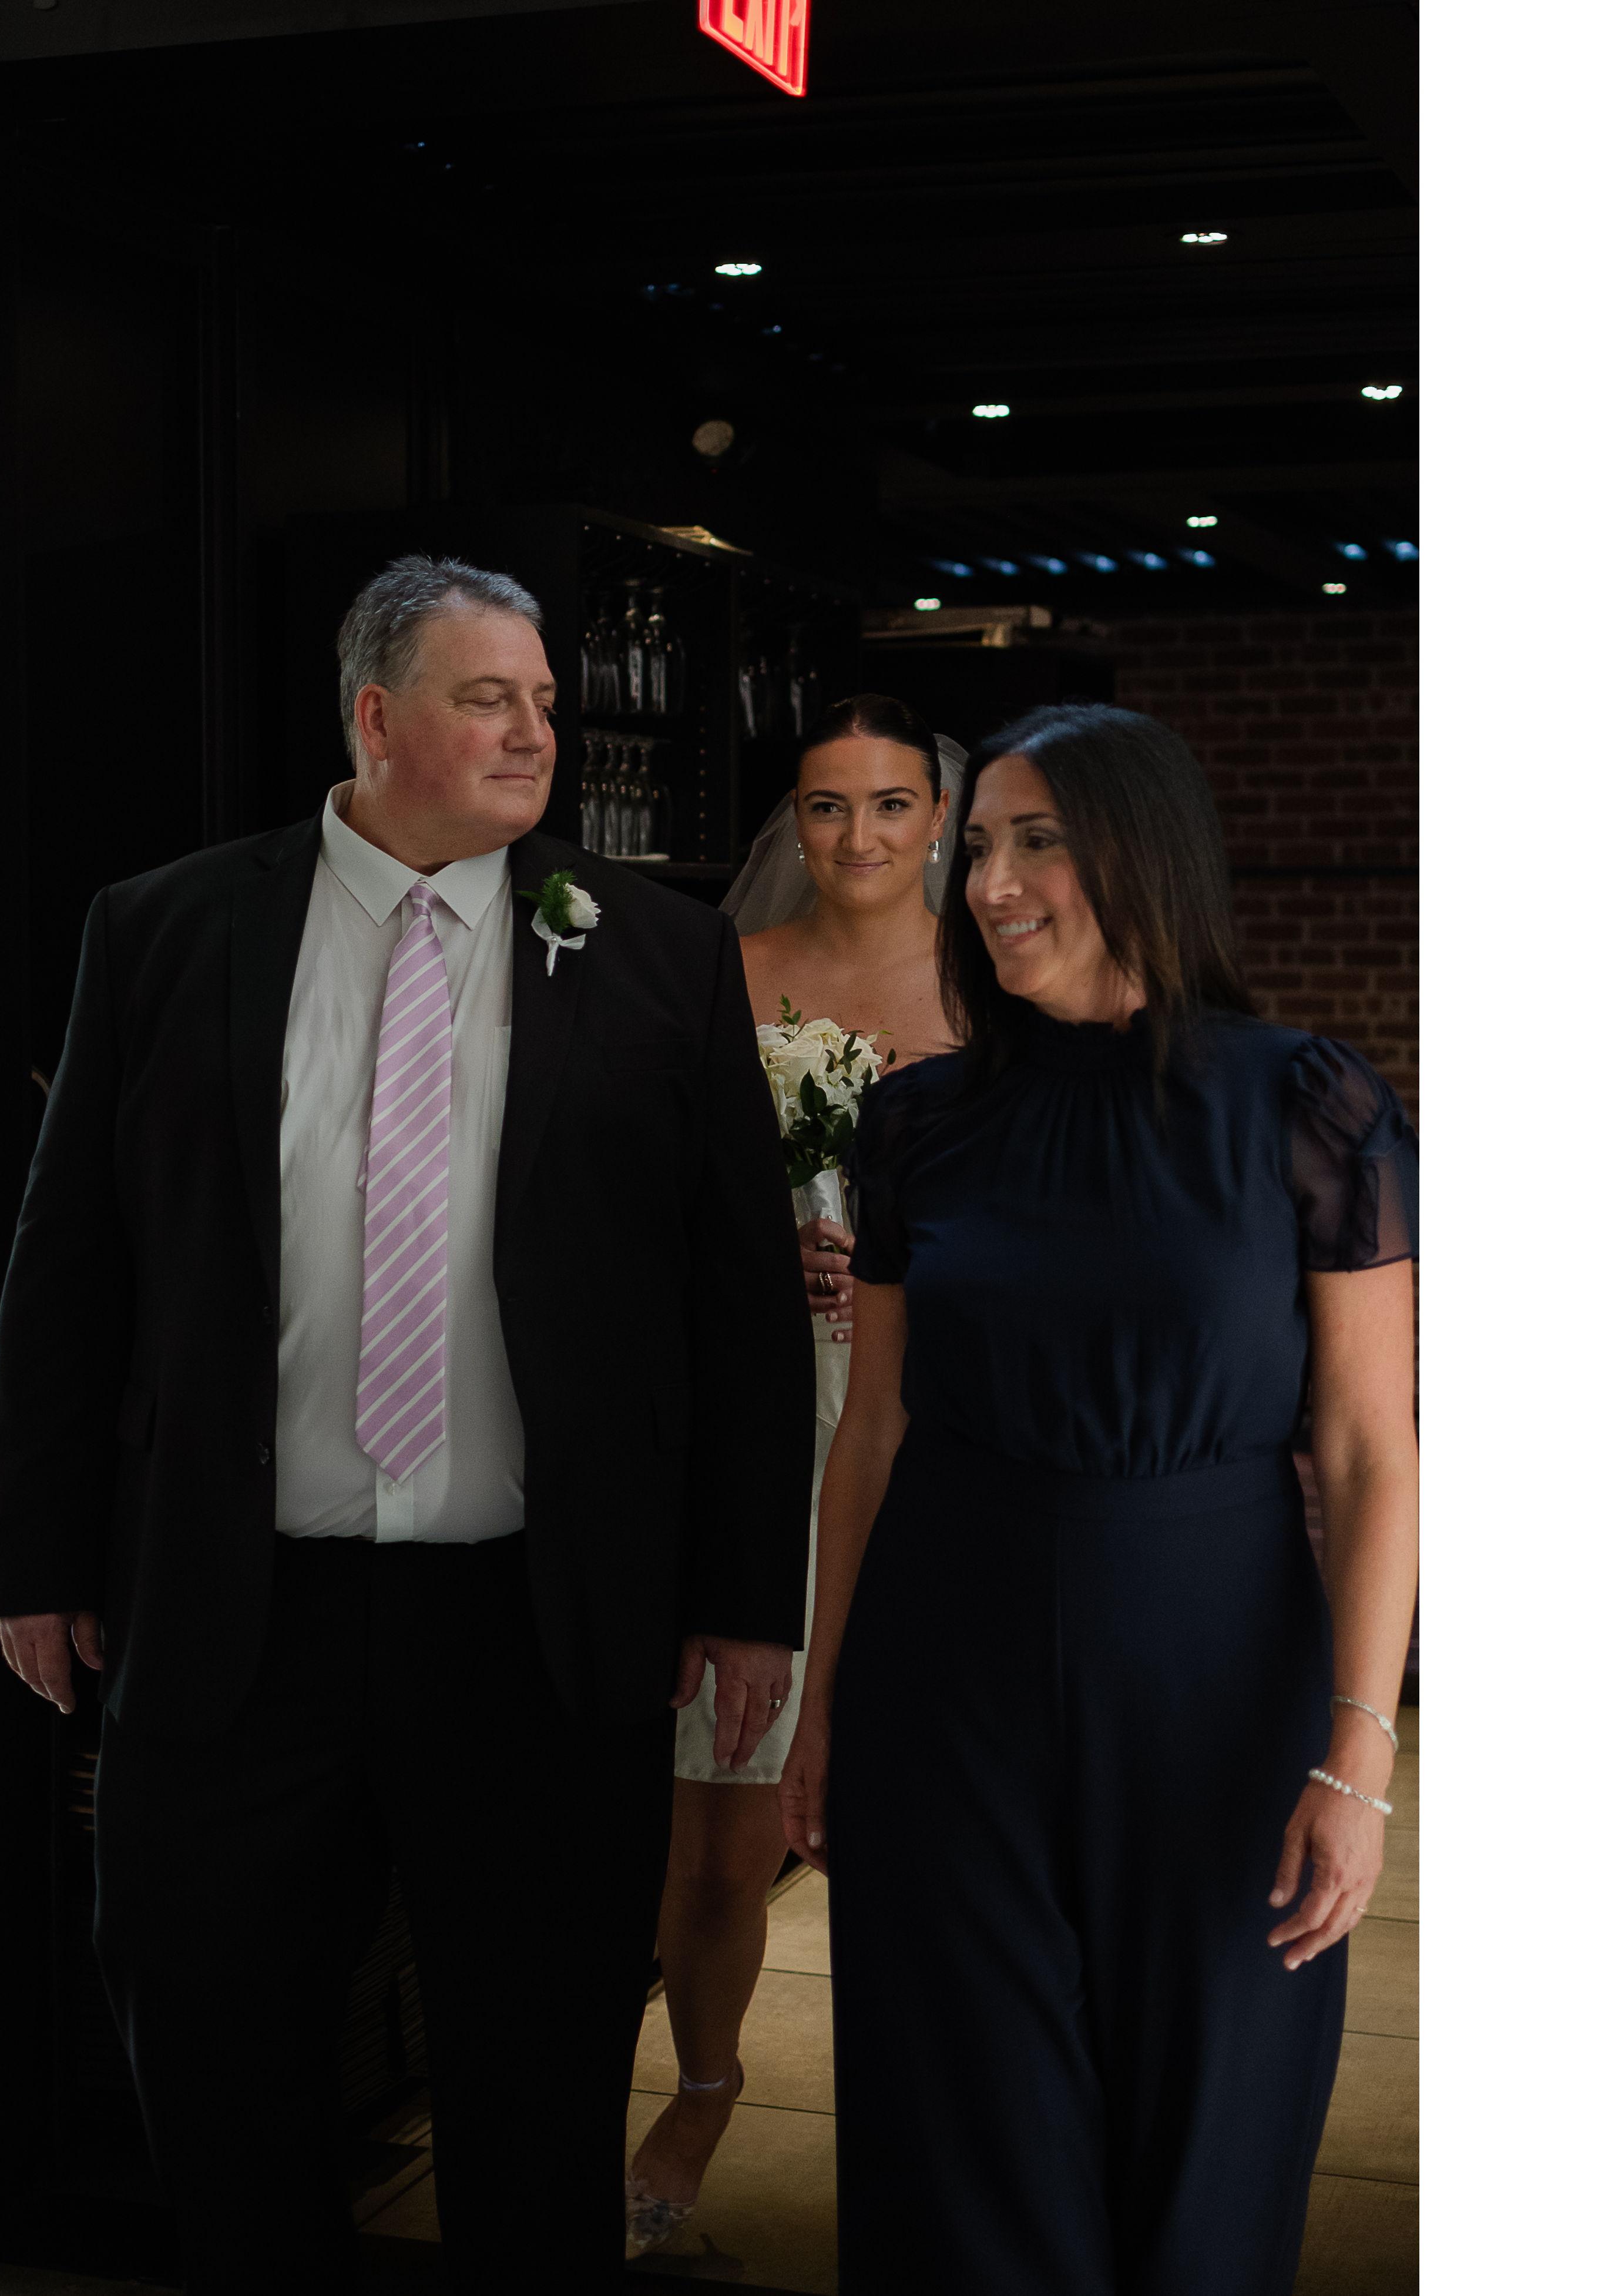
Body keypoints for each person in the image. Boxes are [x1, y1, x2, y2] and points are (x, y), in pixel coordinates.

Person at [0, 555, 812, 2296]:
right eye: (486, 697)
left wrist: (746, 1596)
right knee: (218, 2074)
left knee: (539, 2090)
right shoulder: (164, 928)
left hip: (535, 1626)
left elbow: (738, 1301)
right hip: (234, 1614)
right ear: (376, 716)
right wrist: (40, 1555)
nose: (536, 731)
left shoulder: (659, 949)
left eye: (543, 699)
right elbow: (70, 1266)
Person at [779, 701, 1419, 2295]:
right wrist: (820, 1702)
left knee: (1207, 2155)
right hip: (946, 1683)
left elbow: (1370, 1444)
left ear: (1144, 853)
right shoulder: (918, 1121)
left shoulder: (1308, 1103)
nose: (991, 882)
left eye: (1039, 841)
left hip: (1217, 1688)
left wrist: (1361, 1751)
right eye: (981, 846)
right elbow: (872, 1432)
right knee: (964, 2155)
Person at [626, 696, 958, 2259]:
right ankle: (702, 2084)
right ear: (794, 824)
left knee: (925, 1820)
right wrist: (760, 1255)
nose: (858, 836)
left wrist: (903, 1273)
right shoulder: (723, 971)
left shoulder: (1000, 984)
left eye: (891, 805)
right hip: (749, 1423)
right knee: (716, 1831)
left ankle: (944, 2140)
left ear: (939, 820)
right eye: (828, 806)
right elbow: (637, 1197)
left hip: (929, 1427)